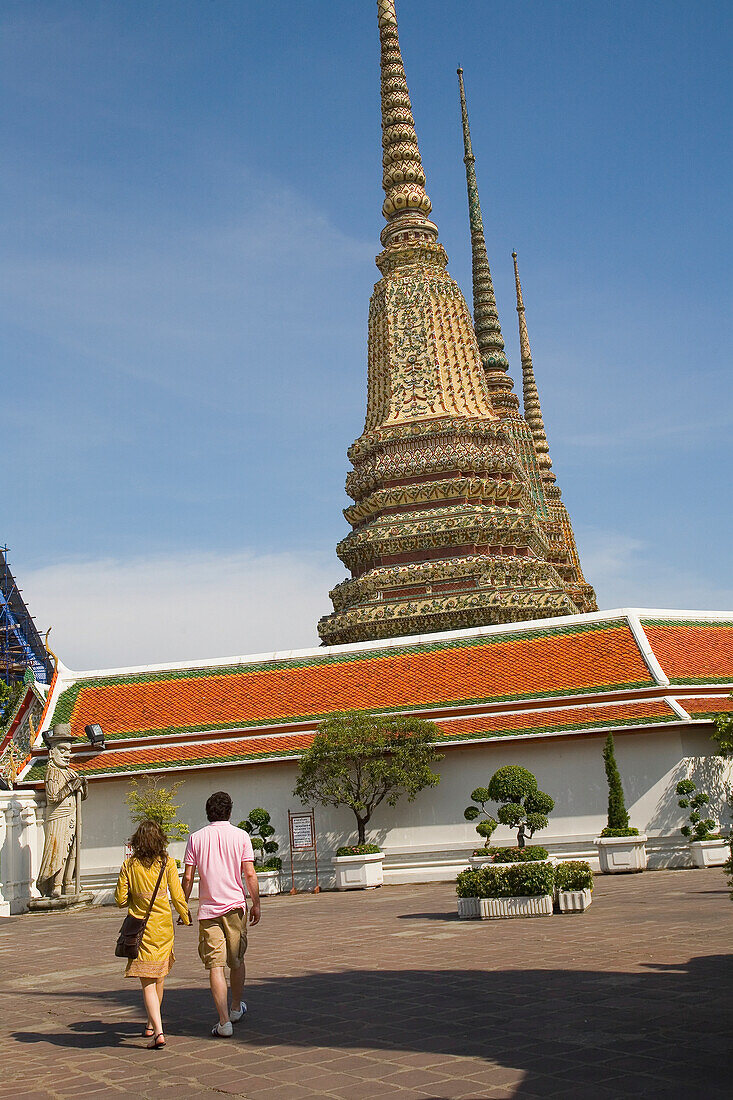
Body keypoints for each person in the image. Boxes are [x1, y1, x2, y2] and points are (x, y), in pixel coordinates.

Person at [181, 791, 261, 1037]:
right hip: (235, 906)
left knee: (215, 965)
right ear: (229, 811)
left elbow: (187, 877)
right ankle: (236, 1007)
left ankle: (223, 1021)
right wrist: (255, 903)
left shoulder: (196, 838)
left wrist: (183, 905)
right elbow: (249, 873)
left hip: (208, 909)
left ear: (208, 811)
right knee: (236, 960)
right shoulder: (241, 836)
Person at [114, 820, 192, 1049]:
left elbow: (119, 900)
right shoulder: (166, 863)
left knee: (147, 981)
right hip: (163, 928)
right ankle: (151, 1021)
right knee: (159, 975)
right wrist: (185, 917)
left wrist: (136, 899)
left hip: (141, 929)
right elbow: (178, 896)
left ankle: (158, 1031)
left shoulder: (129, 865)